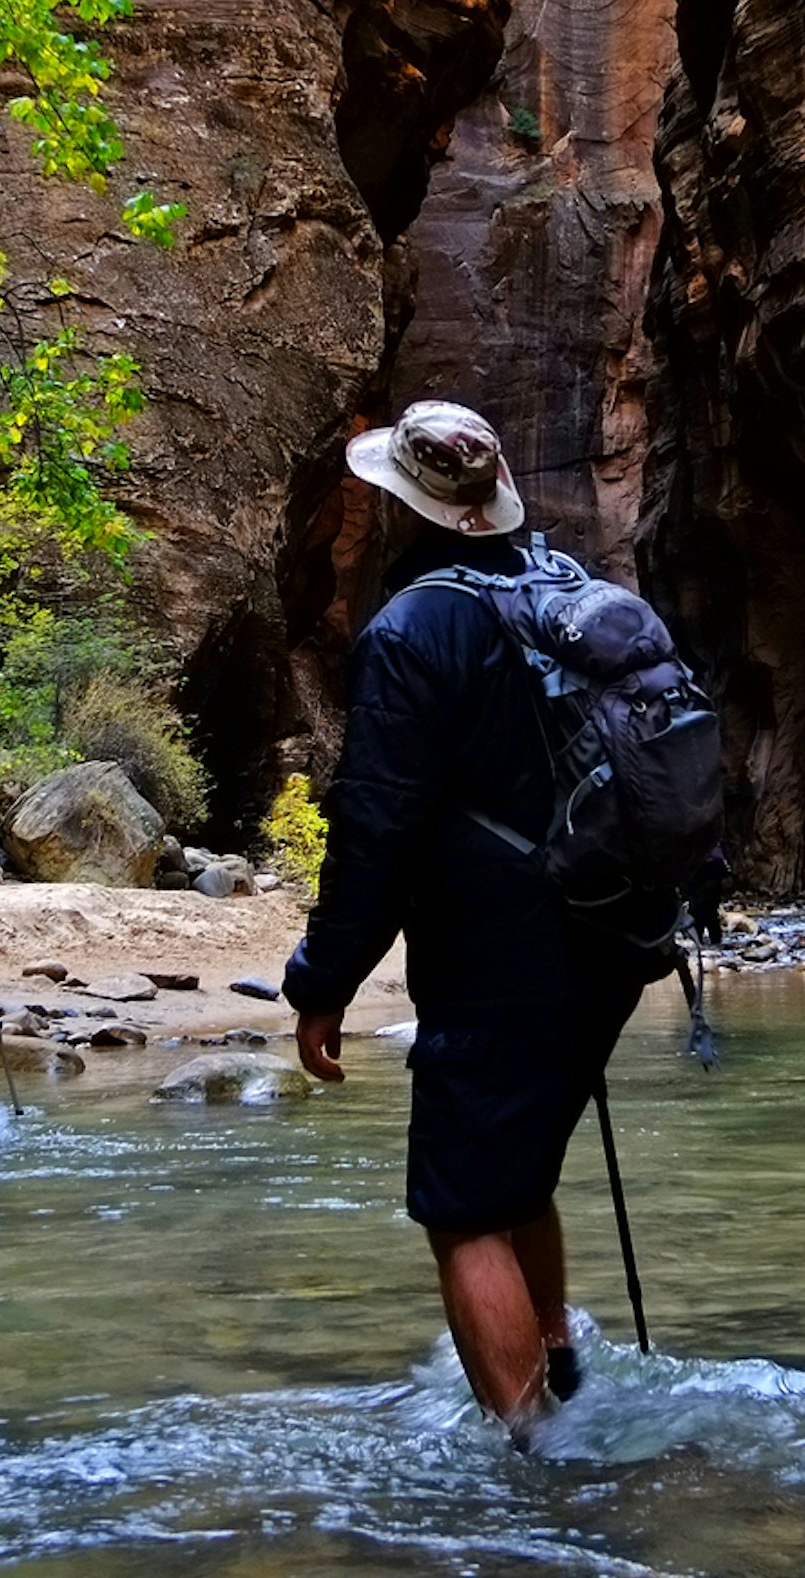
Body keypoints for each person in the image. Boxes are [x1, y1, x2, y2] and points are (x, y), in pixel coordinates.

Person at [285, 399, 666, 1440]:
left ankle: (536, 1457)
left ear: (407, 504)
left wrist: (323, 980)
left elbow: (375, 825)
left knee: (461, 1209)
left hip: (499, 955)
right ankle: (559, 1364)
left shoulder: (413, 629)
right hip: (617, 939)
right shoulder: (581, 595)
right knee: (521, 1167)